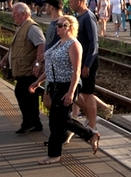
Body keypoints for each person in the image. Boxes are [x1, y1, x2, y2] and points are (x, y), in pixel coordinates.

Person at [28, 16, 100, 164]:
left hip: (67, 85)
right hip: (55, 85)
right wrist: (37, 82)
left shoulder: (74, 45)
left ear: (70, 27)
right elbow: (49, 68)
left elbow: (76, 71)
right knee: (61, 119)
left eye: (61, 25)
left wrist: (71, 92)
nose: (58, 27)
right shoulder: (59, 44)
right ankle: (90, 134)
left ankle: (54, 155)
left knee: (56, 120)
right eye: (57, 25)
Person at [0, 3, 46, 134]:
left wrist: (38, 63)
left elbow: (41, 45)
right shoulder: (22, 27)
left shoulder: (32, 28)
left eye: (15, 15)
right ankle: (35, 123)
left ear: (24, 14)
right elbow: (14, 48)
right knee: (28, 97)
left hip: (29, 70)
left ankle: (29, 122)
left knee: (23, 94)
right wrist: (4, 60)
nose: (13, 17)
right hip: (22, 69)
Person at [68, 0, 100, 134]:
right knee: (79, 91)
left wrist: (87, 64)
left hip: (88, 61)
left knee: (88, 93)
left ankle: (92, 124)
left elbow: (94, 43)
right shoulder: (77, 17)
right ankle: (87, 118)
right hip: (80, 60)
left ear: (80, 2)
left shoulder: (88, 17)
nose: (69, 4)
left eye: (71, 2)